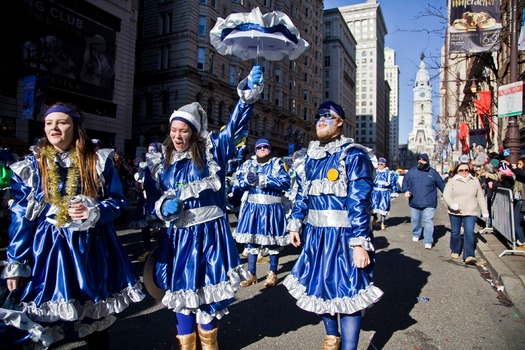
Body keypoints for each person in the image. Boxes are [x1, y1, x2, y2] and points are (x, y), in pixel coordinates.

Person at [1, 102, 145, 348]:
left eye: (61, 122)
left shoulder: (96, 160)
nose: (53, 128)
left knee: (95, 318)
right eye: (49, 123)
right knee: (42, 317)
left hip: (92, 248)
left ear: (75, 127)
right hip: (48, 251)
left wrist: (95, 209)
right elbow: (21, 216)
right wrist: (16, 262)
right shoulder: (32, 166)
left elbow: (118, 201)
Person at [147, 66, 263, 349]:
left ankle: (210, 346)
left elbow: (235, 127)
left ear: (194, 132)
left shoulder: (214, 152)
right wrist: (163, 207)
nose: (177, 135)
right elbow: (154, 199)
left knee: (208, 297)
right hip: (179, 238)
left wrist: (246, 98)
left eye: (183, 130)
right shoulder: (165, 161)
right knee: (182, 297)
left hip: (210, 235)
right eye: (173, 130)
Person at [284, 101, 383, 350]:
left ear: (340, 122)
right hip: (316, 236)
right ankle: (332, 335)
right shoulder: (309, 157)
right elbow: (302, 195)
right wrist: (295, 224)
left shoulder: (354, 154)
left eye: (328, 116)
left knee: (349, 290)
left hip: (344, 236)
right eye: (319, 116)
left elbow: (360, 201)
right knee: (319, 286)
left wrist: (359, 242)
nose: (321, 119)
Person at [232, 138, 291, 288]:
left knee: (271, 242)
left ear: (270, 149)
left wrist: (263, 179)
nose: (262, 149)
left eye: (265, 147)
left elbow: (285, 182)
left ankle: (273, 273)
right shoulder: (249, 164)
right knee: (251, 241)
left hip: (271, 208)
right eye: (259, 147)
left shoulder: (277, 163)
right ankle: (251, 274)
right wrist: (246, 180)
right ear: (255, 150)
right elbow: (237, 183)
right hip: (252, 208)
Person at [442, 162, 489, 265]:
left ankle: (469, 255)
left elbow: (480, 197)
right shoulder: (452, 181)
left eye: (466, 170)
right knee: (455, 232)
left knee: (469, 232)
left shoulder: (475, 181)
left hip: (470, 211)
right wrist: (452, 205)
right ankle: (455, 249)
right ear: (457, 171)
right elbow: (446, 195)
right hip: (455, 212)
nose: (464, 172)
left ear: (469, 171)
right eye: (461, 170)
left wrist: (485, 212)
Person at [129, 142, 164, 262]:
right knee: (145, 225)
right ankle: (147, 249)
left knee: (160, 227)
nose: (151, 153)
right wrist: (139, 185)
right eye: (150, 150)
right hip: (145, 198)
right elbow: (139, 181)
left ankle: (161, 251)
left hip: (158, 199)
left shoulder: (163, 164)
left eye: (154, 150)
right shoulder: (144, 165)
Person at [401, 153, 445, 250]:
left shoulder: (433, 173)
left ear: (427, 161)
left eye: (423, 160)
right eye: (419, 160)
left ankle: (428, 240)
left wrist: (448, 197)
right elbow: (405, 182)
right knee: (415, 220)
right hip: (414, 202)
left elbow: (442, 186)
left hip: (429, 203)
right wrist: (406, 190)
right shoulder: (412, 172)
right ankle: (416, 233)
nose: (420, 162)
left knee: (428, 220)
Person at [371, 157, 398, 230]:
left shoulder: (389, 173)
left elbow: (393, 183)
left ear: (384, 164)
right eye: (379, 164)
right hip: (375, 191)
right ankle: (375, 218)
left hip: (384, 192)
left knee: (383, 207)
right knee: (374, 206)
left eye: (381, 164)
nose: (380, 165)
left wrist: (394, 192)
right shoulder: (375, 172)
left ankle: (382, 223)